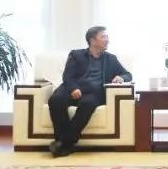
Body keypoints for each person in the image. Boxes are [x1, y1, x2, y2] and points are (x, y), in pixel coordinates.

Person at [48, 26, 132, 157]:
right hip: (72, 88)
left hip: (93, 92)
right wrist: (74, 88)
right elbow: (67, 76)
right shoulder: (76, 55)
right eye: (103, 37)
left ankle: (64, 143)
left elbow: (128, 74)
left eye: (107, 37)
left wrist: (121, 78)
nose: (107, 40)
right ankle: (64, 143)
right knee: (55, 100)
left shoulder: (111, 59)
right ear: (92, 40)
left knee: (87, 104)